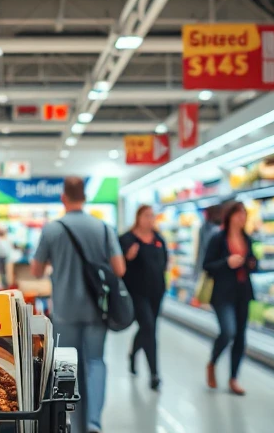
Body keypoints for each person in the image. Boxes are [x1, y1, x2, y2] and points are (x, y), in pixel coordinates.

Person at [31, 177, 125, 433]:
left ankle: (69, 422)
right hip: (98, 308)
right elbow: (119, 268)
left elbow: (36, 271)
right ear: (85, 197)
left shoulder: (52, 229)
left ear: (64, 197)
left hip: (65, 310)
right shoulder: (104, 228)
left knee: (67, 364)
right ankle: (93, 422)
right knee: (95, 360)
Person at [202, 201, 258, 395]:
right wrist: (227, 262)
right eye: (238, 214)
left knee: (241, 336)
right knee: (228, 331)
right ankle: (213, 362)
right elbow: (207, 265)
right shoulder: (218, 239)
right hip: (222, 294)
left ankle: (234, 378)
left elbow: (254, 263)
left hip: (242, 292)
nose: (242, 217)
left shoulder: (247, 239)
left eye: (244, 214)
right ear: (230, 216)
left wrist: (251, 263)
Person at [118, 205, 168, 391]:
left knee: (148, 328)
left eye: (152, 216)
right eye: (146, 216)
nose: (150, 219)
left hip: (156, 292)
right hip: (136, 293)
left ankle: (133, 354)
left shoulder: (158, 239)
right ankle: (154, 374)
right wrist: (127, 257)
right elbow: (117, 265)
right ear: (138, 217)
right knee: (148, 327)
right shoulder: (127, 239)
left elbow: (164, 262)